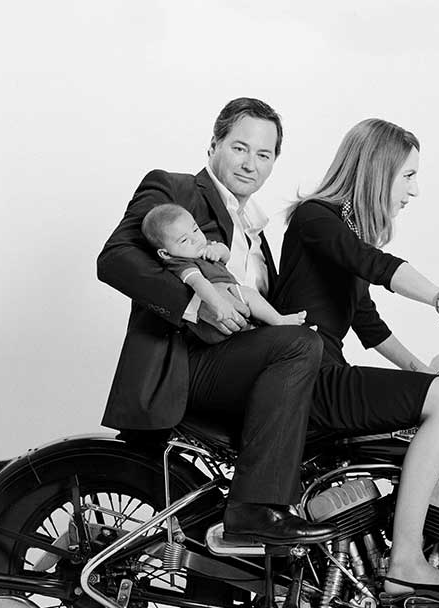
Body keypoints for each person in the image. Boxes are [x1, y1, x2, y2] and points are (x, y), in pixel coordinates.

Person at [274, 118, 439, 594]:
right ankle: (405, 562)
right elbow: (374, 267)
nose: (415, 191)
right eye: (409, 176)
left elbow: (367, 323)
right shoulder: (315, 219)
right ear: (378, 171)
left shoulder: (344, 230)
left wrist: (426, 371)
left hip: (320, 373)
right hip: (308, 378)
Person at [97, 97, 331, 545]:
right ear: (214, 145)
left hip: (239, 370)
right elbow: (115, 259)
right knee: (298, 344)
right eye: (240, 148)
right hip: (184, 366)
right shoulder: (175, 189)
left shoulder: (257, 232)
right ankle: (255, 510)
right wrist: (196, 304)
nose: (250, 164)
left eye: (264, 155)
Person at [141, 203, 306, 344]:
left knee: (246, 298)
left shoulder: (204, 246)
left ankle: (272, 325)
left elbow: (226, 254)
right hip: (216, 320)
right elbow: (199, 283)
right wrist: (218, 304)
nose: (196, 239)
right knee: (246, 295)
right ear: (165, 253)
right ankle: (278, 321)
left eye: (195, 230)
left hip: (233, 300)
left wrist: (217, 250)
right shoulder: (180, 263)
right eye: (184, 240)